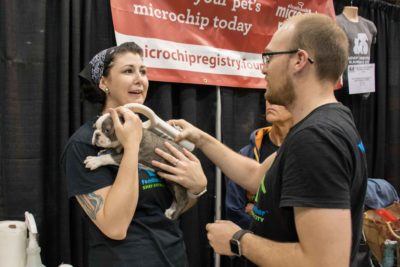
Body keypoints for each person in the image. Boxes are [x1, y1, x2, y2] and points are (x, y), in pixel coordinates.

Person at [152, 13, 367, 267]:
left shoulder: (315, 139)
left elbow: (326, 262)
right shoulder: (322, 123)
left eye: (269, 56)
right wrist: (201, 139)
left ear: (299, 60)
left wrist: (238, 241)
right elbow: (257, 175)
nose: (263, 67)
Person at [61, 42, 207, 267]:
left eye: (143, 71)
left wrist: (197, 189)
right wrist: (130, 148)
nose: (140, 79)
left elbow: (174, 208)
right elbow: (115, 227)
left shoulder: (156, 134)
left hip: (175, 258)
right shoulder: (83, 145)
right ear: (104, 83)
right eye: (128, 71)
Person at [225, 100, 292, 267]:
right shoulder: (247, 153)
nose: (271, 101)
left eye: (279, 97)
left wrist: (257, 210)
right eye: (269, 96)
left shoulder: (309, 150)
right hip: (252, 256)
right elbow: (234, 209)